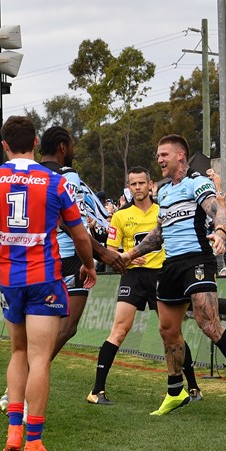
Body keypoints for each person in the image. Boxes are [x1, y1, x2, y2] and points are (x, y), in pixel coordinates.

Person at [0, 115, 96, 451]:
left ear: (4, 145)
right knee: (39, 359)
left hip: (10, 278)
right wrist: (88, 265)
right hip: (44, 277)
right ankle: (33, 443)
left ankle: (13, 432)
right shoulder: (54, 181)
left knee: (17, 352)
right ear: (36, 141)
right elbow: (79, 234)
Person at [121, 134, 226, 418]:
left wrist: (221, 233)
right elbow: (160, 233)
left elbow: (217, 212)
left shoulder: (196, 182)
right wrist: (130, 255)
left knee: (208, 323)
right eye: (158, 155)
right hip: (171, 265)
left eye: (164, 155)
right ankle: (176, 390)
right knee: (167, 330)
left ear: (180, 156)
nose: (159, 159)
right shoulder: (163, 192)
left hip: (197, 260)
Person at [0, 126, 125, 412]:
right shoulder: (67, 177)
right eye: (73, 145)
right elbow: (73, 223)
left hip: (31, 260)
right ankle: (24, 389)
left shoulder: (29, 174)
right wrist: (101, 253)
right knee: (65, 328)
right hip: (70, 256)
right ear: (64, 147)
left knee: (33, 338)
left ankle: (15, 389)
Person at [89, 166, 200, 404]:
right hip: (133, 276)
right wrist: (127, 256)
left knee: (173, 334)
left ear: (151, 185)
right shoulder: (119, 216)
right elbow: (110, 251)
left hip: (163, 275)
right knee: (119, 331)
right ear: (128, 187)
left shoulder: (164, 210)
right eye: (133, 184)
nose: (138, 188)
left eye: (141, 183)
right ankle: (97, 390)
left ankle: (192, 387)